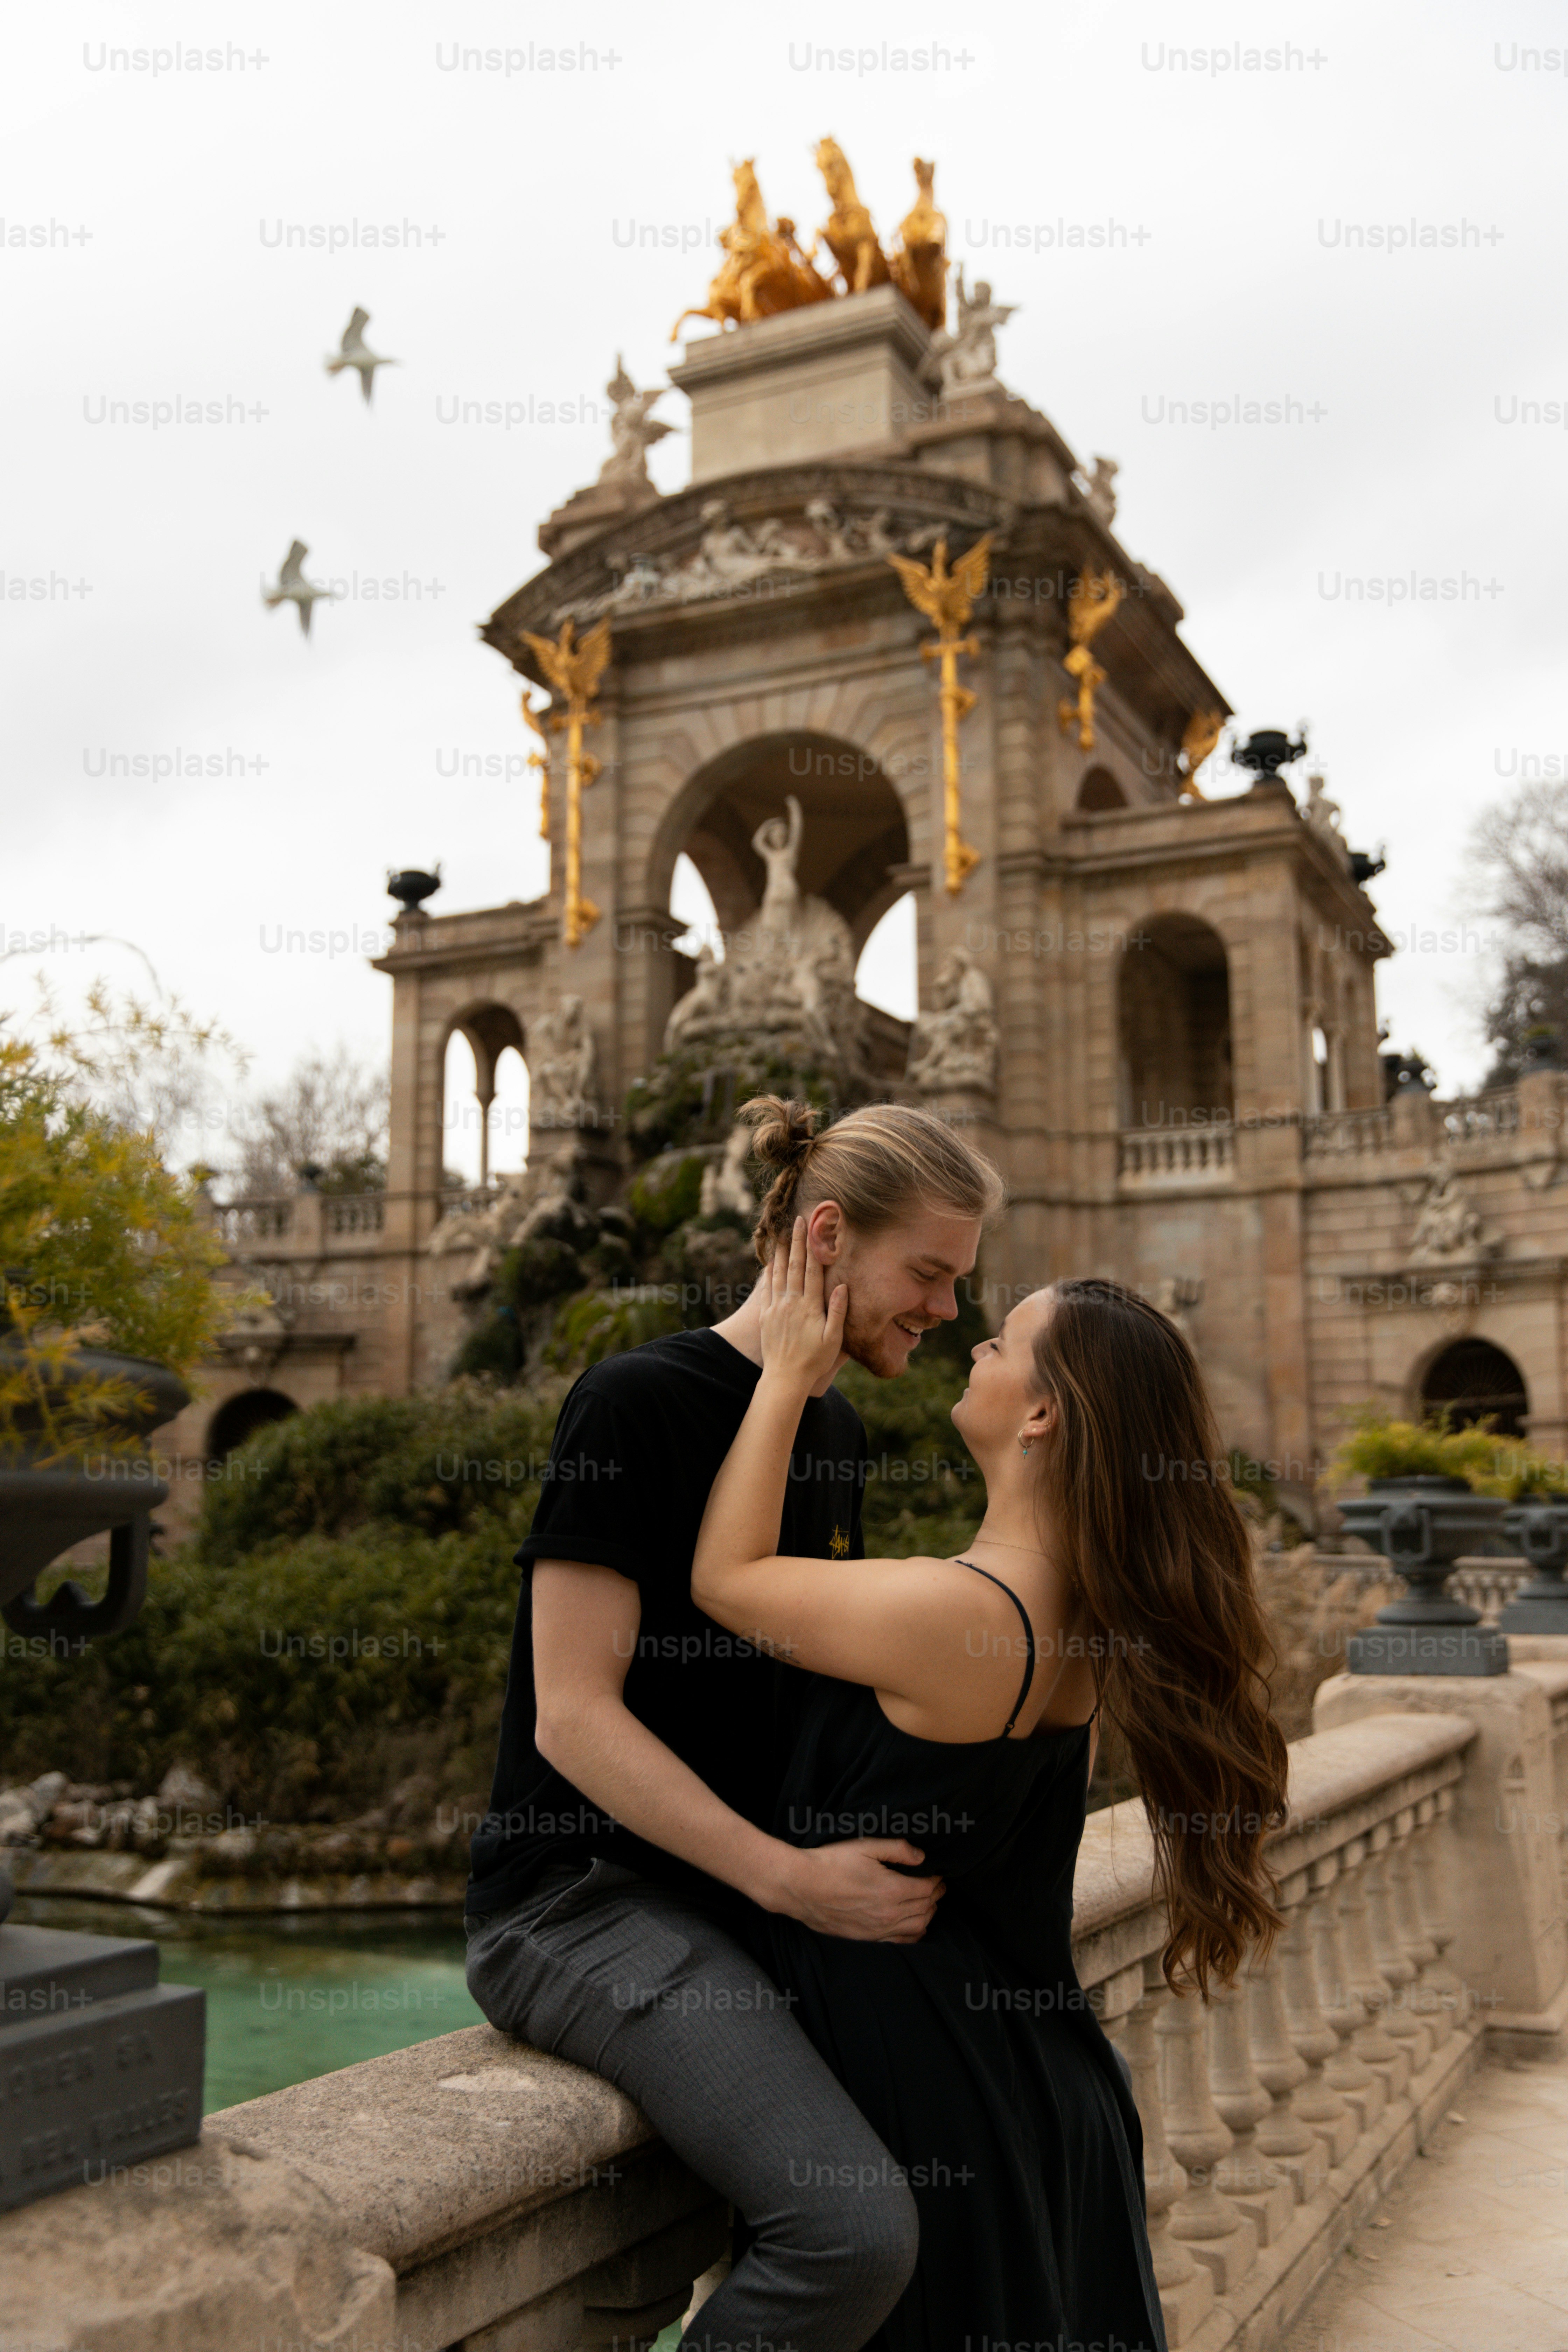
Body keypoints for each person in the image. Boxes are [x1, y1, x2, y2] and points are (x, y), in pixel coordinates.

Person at [689, 1214, 1291, 2352]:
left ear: (1041, 1412)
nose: (970, 1342)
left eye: (1003, 1340)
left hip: (928, 2089)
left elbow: (724, 1579)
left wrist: (782, 1377)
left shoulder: (960, 1616)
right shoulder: (1066, 1609)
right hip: (1027, 2081)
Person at [464, 1094, 1007, 2352]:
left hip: (729, 1908)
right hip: (574, 1904)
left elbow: (809, 1703)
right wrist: (793, 1883)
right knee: (853, 2232)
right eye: (926, 1273)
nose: (945, 1310)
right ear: (827, 1237)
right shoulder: (633, 1401)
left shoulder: (834, 1430)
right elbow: (574, 1720)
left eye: (958, 1283)